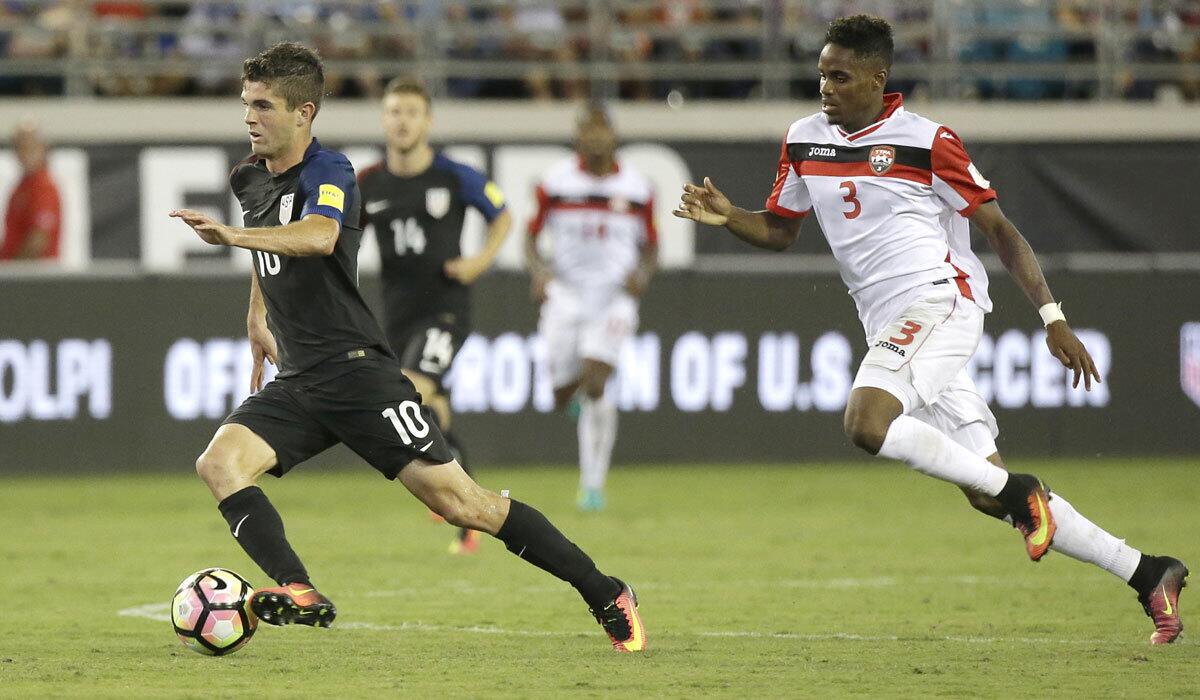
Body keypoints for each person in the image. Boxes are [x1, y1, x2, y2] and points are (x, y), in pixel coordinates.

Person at [673, 15, 1187, 645]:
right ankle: (1147, 571)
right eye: (821, 75)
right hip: (888, 322)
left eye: (840, 76)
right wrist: (731, 218)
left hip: (941, 303)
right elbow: (781, 231)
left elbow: (1001, 230)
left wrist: (1053, 317)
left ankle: (1023, 492)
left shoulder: (926, 141)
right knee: (984, 490)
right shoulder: (805, 139)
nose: (826, 87)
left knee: (866, 423)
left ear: (876, 78)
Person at [168, 42, 646, 653]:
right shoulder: (249, 177)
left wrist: (228, 235)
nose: (250, 117)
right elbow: (270, 249)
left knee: (464, 503)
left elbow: (317, 237)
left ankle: (607, 592)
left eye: (263, 105)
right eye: (246, 104)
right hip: (300, 378)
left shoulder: (331, 171)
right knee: (218, 464)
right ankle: (299, 591)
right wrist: (255, 314)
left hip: (358, 374)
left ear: (303, 112)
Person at [358, 77, 513, 554]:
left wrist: (478, 262)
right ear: (384, 120)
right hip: (397, 317)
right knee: (433, 412)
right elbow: (340, 241)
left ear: (427, 121)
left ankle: (461, 505)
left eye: (410, 112)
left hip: (446, 311)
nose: (401, 121)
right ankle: (470, 514)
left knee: (410, 389)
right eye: (393, 112)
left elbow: (502, 214)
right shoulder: (366, 183)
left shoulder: (454, 175)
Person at [526, 105, 658, 511]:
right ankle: (577, 395)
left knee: (598, 380)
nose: (595, 138)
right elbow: (531, 237)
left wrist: (643, 274)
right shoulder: (555, 181)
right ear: (578, 136)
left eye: (602, 130)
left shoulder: (638, 186)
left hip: (613, 295)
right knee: (561, 393)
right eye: (588, 130)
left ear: (613, 135)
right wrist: (539, 272)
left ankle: (592, 485)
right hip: (566, 293)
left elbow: (651, 245)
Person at [1, 122, 61, 261]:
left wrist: (12, 272)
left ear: (43, 149)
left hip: (34, 276)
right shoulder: (21, 187)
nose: (25, 153)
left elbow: (38, 241)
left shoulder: (44, 187)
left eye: (30, 147)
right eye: (20, 148)